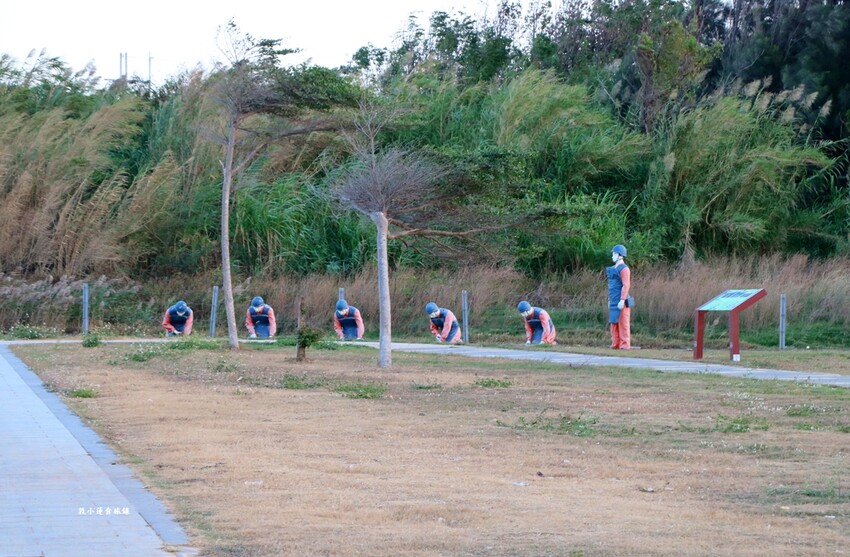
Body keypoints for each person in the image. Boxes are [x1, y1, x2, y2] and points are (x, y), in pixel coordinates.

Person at [607, 244, 633, 350]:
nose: (612, 255)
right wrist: (610, 299)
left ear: (620, 255)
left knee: (623, 323)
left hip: (622, 300)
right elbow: (612, 287)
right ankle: (615, 343)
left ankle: (625, 344)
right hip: (613, 299)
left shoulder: (624, 269)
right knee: (614, 322)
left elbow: (626, 285)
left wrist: (622, 299)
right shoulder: (613, 269)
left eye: (614, 253)